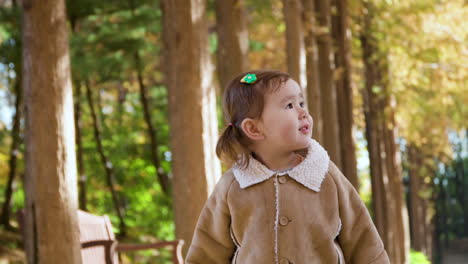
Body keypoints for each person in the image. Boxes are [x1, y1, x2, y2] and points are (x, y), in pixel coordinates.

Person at [185, 70, 390, 264]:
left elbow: (362, 238)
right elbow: (207, 250)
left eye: (301, 102)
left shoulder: (326, 176)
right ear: (253, 128)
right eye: (290, 106)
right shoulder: (233, 185)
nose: (303, 112)